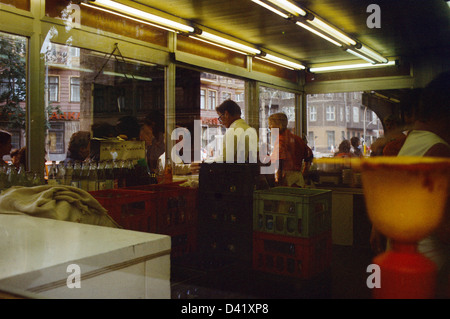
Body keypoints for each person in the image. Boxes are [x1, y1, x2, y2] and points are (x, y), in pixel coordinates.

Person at [371, 71, 450, 298]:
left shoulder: (413, 142)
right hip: (428, 273)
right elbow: (445, 231)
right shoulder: (439, 151)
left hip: (405, 265)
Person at [268, 112, 311, 187]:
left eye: (271, 124)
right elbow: (309, 156)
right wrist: (304, 173)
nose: (269, 127)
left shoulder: (281, 140)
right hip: (298, 178)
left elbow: (280, 162)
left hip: (286, 179)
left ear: (278, 125)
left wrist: (279, 179)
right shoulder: (297, 138)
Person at [215, 99, 257, 163]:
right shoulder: (251, 130)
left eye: (220, 117)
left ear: (226, 114)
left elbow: (225, 159)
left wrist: (204, 163)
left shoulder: (232, 131)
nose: (221, 123)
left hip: (235, 171)